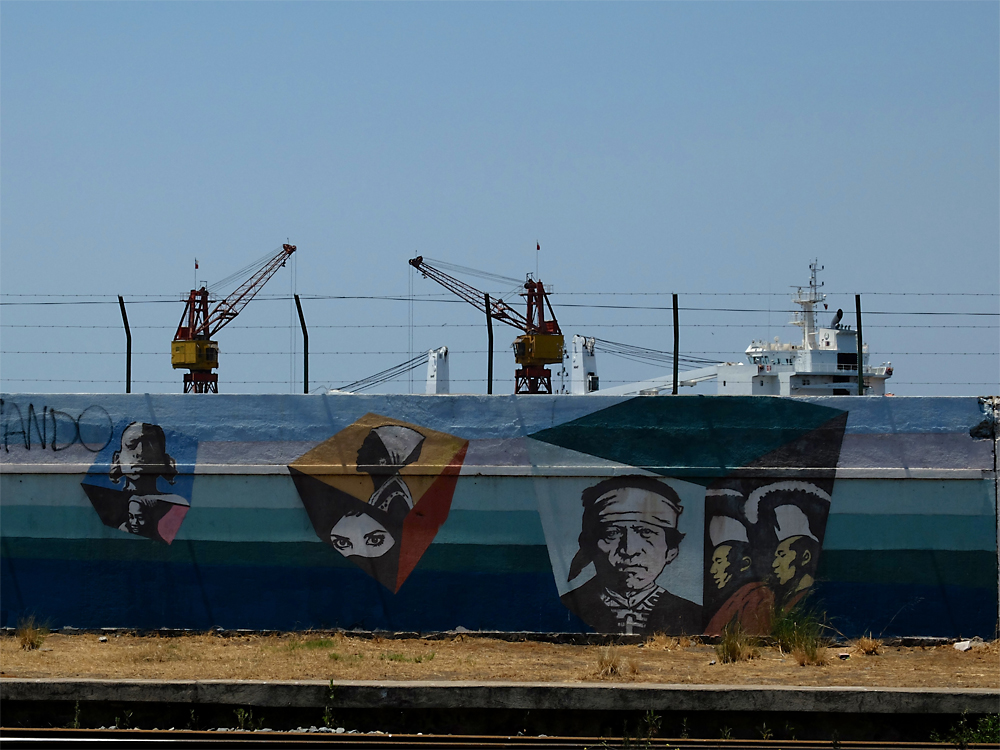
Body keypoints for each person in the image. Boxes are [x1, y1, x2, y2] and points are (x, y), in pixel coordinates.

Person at [561, 476, 701, 635]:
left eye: (646, 532)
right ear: (590, 546)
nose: (629, 550)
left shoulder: (694, 615)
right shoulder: (566, 607)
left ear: (671, 551)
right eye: (612, 533)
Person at [703, 514, 773, 635]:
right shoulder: (733, 596)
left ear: (744, 564)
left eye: (719, 562)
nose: (713, 570)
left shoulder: (757, 596)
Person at [355, 425, 425, 516]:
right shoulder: (384, 491)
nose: (359, 451)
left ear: (382, 461)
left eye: (366, 448)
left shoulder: (396, 498)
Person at [771, 504, 820, 609]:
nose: (774, 564)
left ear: (805, 557)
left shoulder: (810, 600)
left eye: (782, 555)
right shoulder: (784, 599)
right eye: (776, 557)